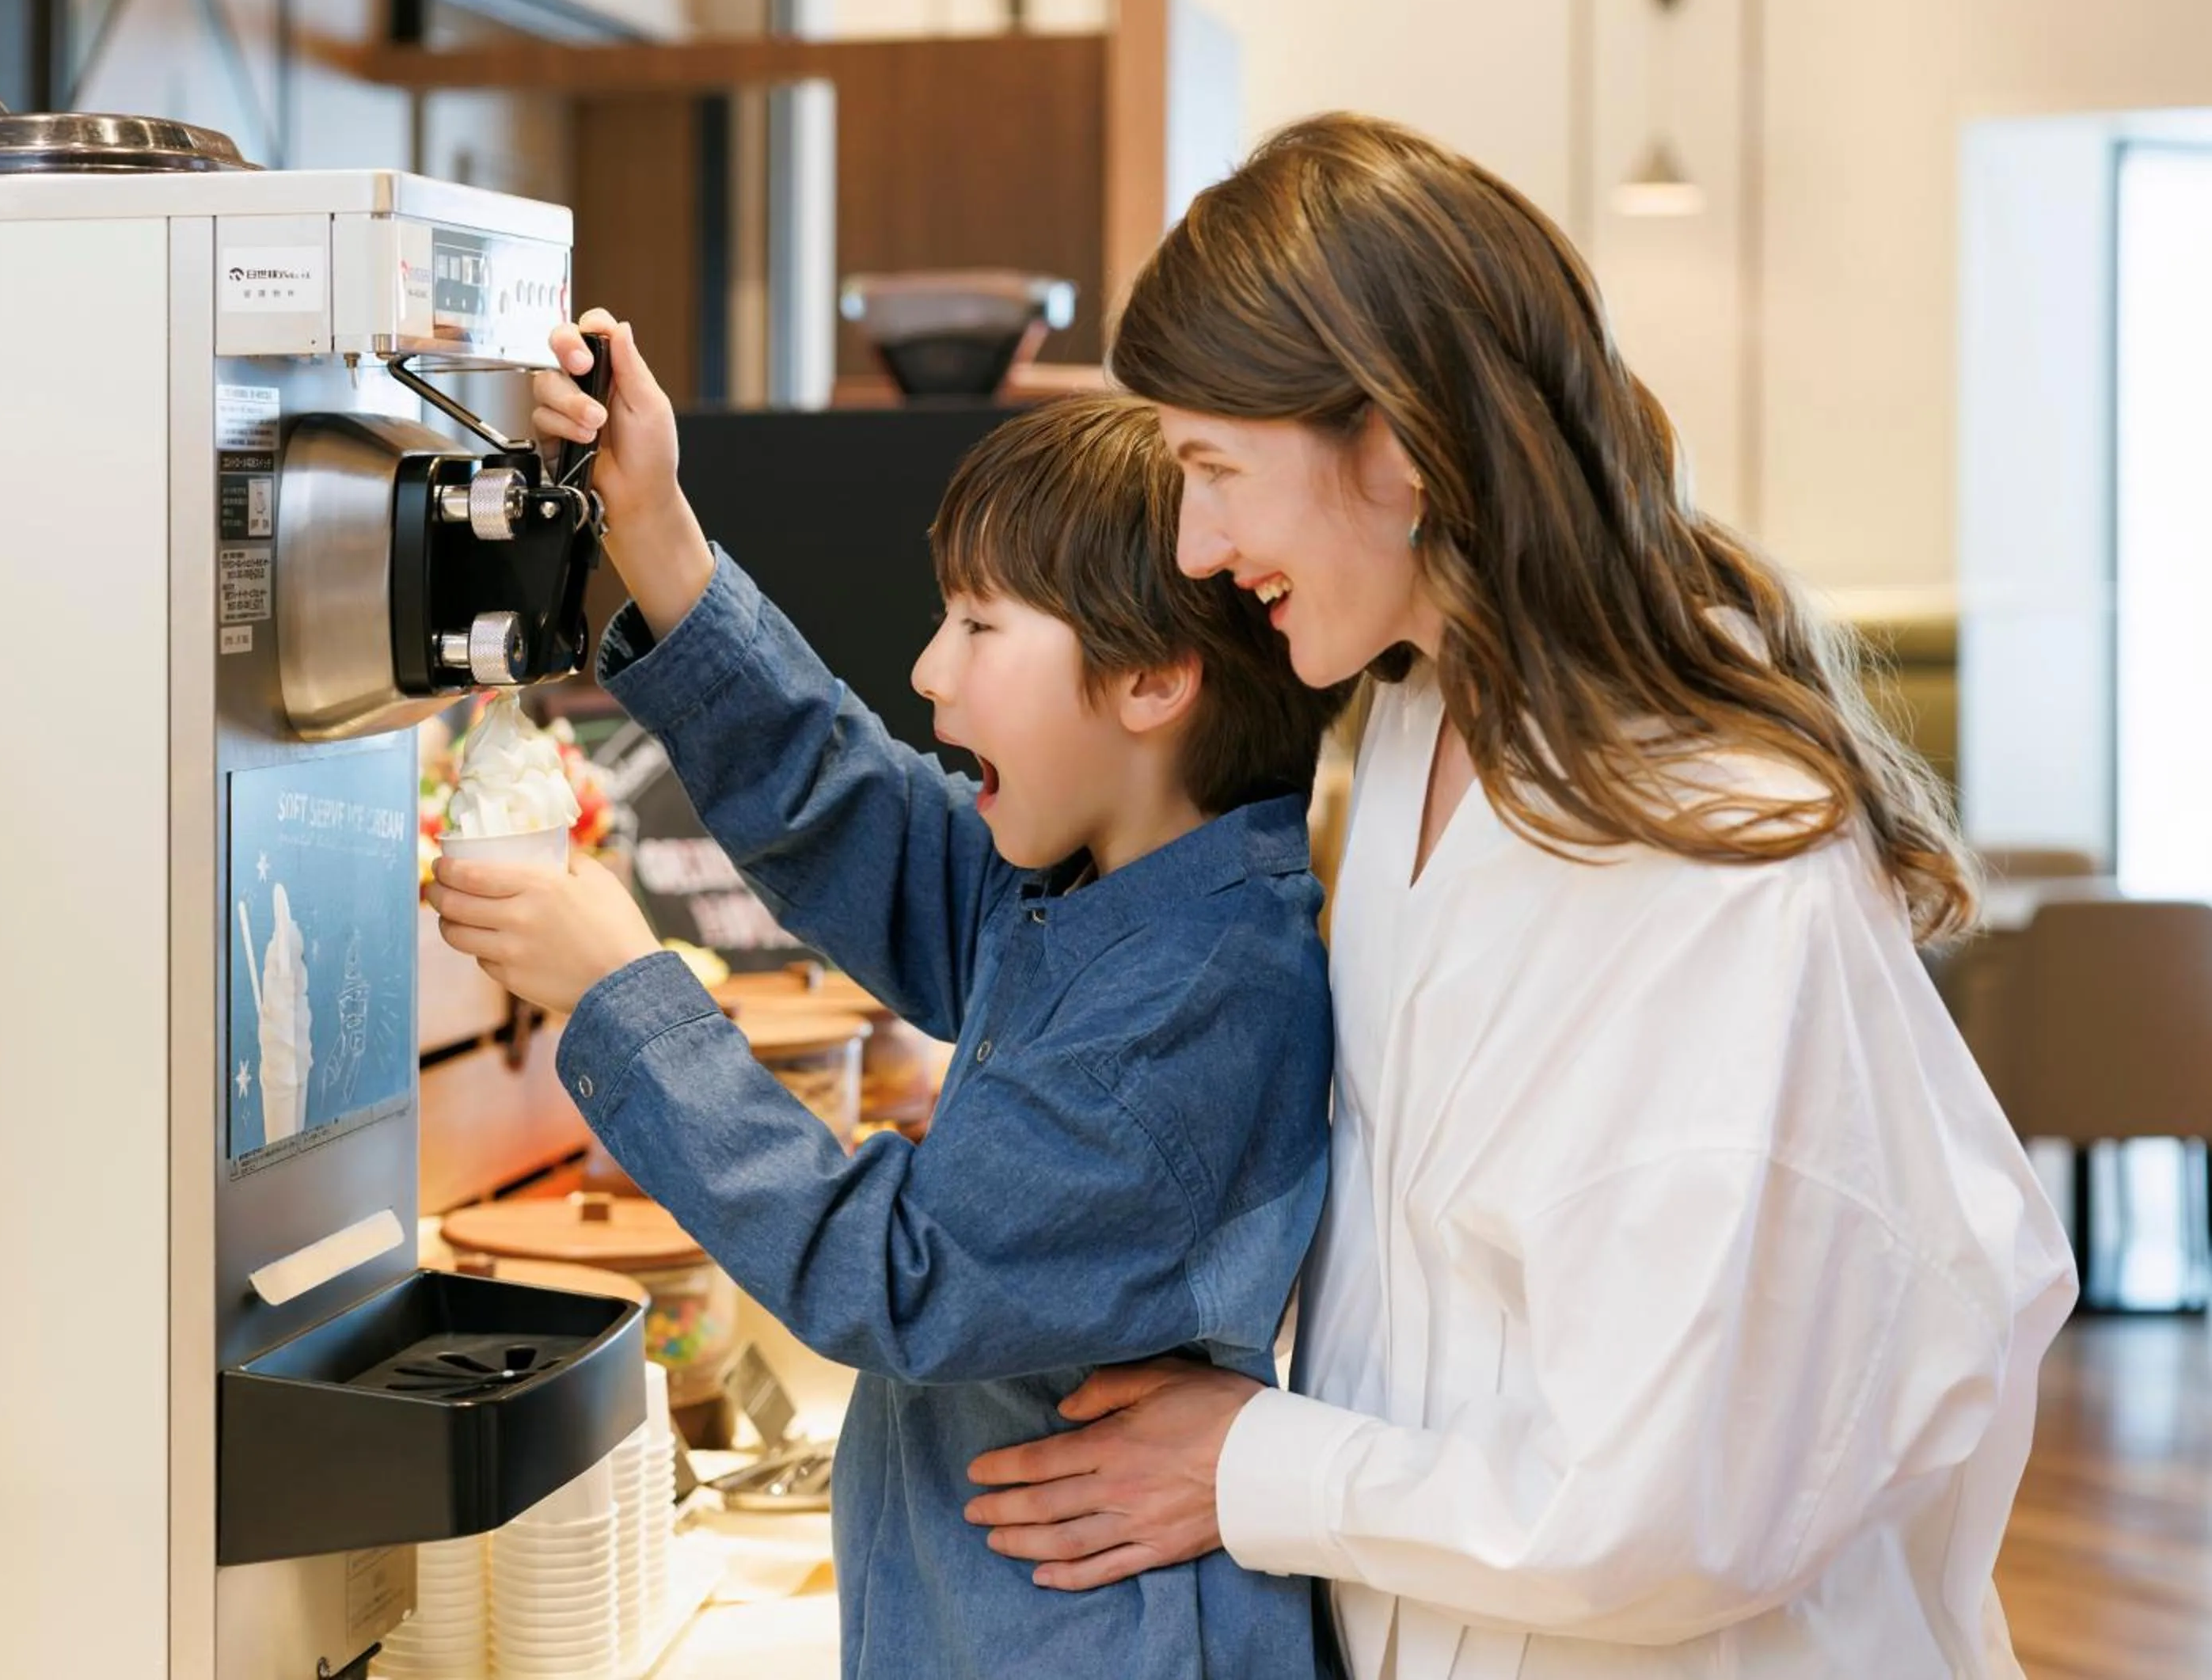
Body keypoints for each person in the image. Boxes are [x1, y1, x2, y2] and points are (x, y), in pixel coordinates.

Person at [963, 114, 2078, 1680]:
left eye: (1215, 471)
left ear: (1397, 449)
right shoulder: (1412, 716)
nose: (1201, 547)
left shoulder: (1713, 859)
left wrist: (1252, 1464)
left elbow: (1663, 1505)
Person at [428, 325, 1350, 1680]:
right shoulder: (1113, 892)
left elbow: (900, 1274)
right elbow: (858, 818)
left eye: (980, 624)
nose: (929, 670)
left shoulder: (1191, 1005)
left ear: (1154, 678)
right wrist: (655, 525)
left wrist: (625, 995)